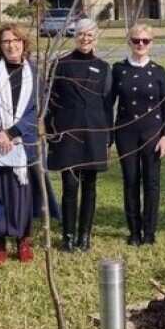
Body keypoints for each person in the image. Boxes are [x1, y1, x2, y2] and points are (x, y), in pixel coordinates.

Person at [0, 23, 58, 265]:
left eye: (16, 40)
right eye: (6, 41)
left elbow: (39, 108)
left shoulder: (35, 74)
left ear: (24, 43)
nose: (11, 45)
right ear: (0, 45)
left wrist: (13, 131)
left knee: (22, 193)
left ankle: (23, 241)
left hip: (23, 142)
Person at [47, 18, 112, 252]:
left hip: (94, 131)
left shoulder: (103, 67)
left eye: (90, 35)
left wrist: (108, 136)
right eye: (81, 34)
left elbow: (106, 104)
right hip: (67, 131)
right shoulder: (61, 64)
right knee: (70, 186)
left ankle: (85, 235)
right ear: (75, 36)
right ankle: (68, 236)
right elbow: (50, 100)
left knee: (90, 186)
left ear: (96, 37)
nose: (86, 39)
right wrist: (51, 130)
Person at [111, 24, 165, 245]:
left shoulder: (157, 71)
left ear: (151, 43)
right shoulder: (118, 69)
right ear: (129, 42)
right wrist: (108, 134)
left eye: (145, 41)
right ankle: (134, 231)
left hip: (152, 134)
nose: (140, 45)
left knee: (152, 183)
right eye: (136, 40)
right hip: (126, 133)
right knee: (131, 181)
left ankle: (149, 231)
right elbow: (110, 103)